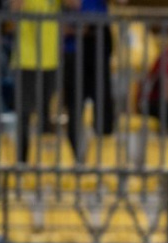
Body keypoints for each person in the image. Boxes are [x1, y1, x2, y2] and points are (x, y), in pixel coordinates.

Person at [62, 0, 116, 161]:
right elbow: (72, 4)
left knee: (103, 107)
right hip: (76, 51)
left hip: (98, 44)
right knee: (75, 107)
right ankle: (77, 159)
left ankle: (100, 159)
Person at [13, 0, 63, 163]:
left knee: (47, 116)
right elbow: (14, 9)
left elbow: (75, 4)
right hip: (26, 60)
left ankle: (44, 164)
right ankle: (22, 163)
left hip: (51, 60)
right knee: (24, 115)